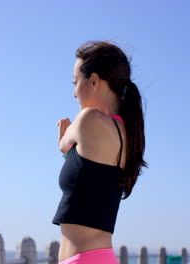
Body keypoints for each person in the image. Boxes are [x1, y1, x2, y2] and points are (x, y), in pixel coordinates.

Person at [52, 41, 148, 264]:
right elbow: (80, 161)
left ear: (94, 80)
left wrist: (64, 139)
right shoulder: (128, 135)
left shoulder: (88, 119)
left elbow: (64, 145)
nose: (74, 94)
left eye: (76, 82)